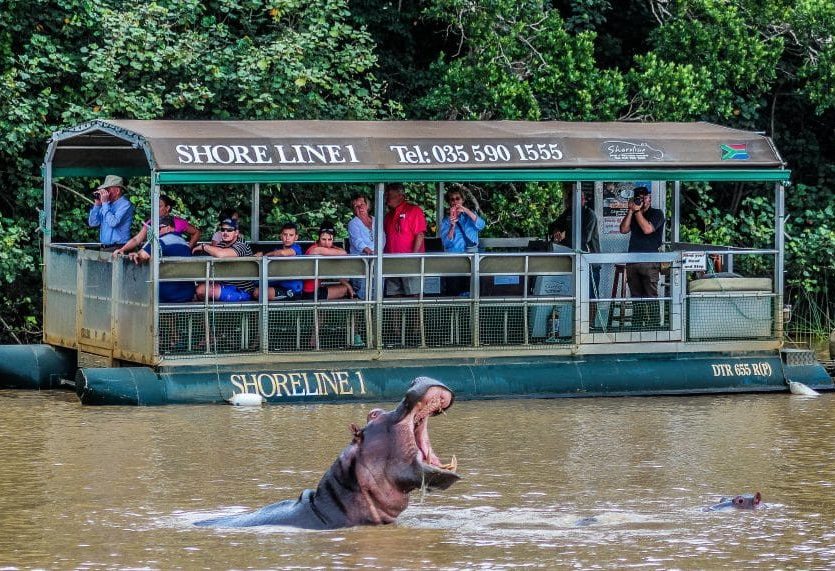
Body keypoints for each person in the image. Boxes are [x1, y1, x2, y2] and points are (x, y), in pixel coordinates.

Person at [619, 186, 665, 326]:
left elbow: (647, 229)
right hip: (633, 260)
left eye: (645, 197)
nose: (642, 200)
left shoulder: (657, 213)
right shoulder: (634, 214)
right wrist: (630, 211)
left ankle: (655, 325)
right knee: (635, 295)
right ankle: (637, 324)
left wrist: (637, 211)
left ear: (650, 198)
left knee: (651, 295)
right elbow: (623, 229)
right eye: (639, 198)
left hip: (650, 261)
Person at [126, 216, 195, 303]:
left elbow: (143, 256)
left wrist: (136, 254)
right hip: (187, 295)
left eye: (159, 228)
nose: (157, 231)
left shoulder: (161, 242)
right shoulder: (185, 243)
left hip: (165, 296)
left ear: (169, 228)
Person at [112, 194, 201, 257]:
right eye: (154, 206)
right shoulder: (151, 222)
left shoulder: (178, 221)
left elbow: (196, 232)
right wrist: (122, 249)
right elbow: (137, 239)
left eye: (159, 206)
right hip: (157, 259)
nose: (156, 209)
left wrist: (189, 247)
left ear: (167, 208)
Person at [192, 217, 255, 302]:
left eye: (229, 230)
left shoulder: (241, 245)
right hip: (224, 285)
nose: (225, 232)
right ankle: (211, 313)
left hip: (241, 291)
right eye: (223, 229)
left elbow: (221, 254)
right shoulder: (222, 245)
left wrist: (204, 246)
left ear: (236, 232)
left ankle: (213, 312)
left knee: (201, 290)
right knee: (194, 290)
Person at [439, 188, 485, 296]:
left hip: (471, 260)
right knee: (454, 292)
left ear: (462, 200)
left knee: (472, 291)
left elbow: (481, 225)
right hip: (454, 260)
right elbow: (446, 243)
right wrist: (452, 226)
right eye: (452, 199)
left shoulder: (470, 216)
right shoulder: (446, 221)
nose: (455, 202)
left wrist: (465, 210)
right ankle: (453, 312)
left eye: (457, 199)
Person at [383, 183, 426, 296]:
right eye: (386, 195)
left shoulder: (414, 210)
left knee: (414, 296)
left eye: (390, 196)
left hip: (410, 261)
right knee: (393, 297)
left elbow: (420, 235)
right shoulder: (388, 216)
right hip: (391, 261)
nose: (387, 199)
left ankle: (417, 315)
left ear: (401, 196)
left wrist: (413, 257)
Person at [302, 224, 355, 300]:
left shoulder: (323, 250)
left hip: (315, 290)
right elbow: (343, 253)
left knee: (345, 284)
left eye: (329, 240)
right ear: (318, 238)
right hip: (309, 294)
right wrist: (347, 285)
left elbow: (332, 270)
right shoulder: (316, 250)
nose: (326, 243)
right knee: (345, 289)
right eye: (323, 239)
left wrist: (346, 284)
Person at [255, 222, 304, 300]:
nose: (287, 238)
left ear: (296, 237)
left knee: (258, 293)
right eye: (285, 234)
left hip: (292, 289)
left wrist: (264, 254)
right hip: (277, 284)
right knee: (254, 289)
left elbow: (283, 253)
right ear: (281, 236)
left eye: (291, 235)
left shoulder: (297, 248)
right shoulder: (277, 249)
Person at [87, 174, 135, 250]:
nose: (105, 192)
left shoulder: (125, 204)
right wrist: (97, 204)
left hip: (119, 248)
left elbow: (113, 223)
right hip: (104, 247)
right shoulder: (106, 204)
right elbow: (93, 223)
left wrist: (105, 204)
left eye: (107, 190)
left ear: (117, 191)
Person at [347, 193, 374, 299]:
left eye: (362, 204)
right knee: (362, 292)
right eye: (356, 206)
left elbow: (383, 238)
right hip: (361, 263)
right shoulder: (353, 223)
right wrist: (371, 252)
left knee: (377, 290)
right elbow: (358, 242)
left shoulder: (376, 220)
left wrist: (378, 254)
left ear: (368, 206)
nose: (360, 207)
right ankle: (362, 315)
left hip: (376, 260)